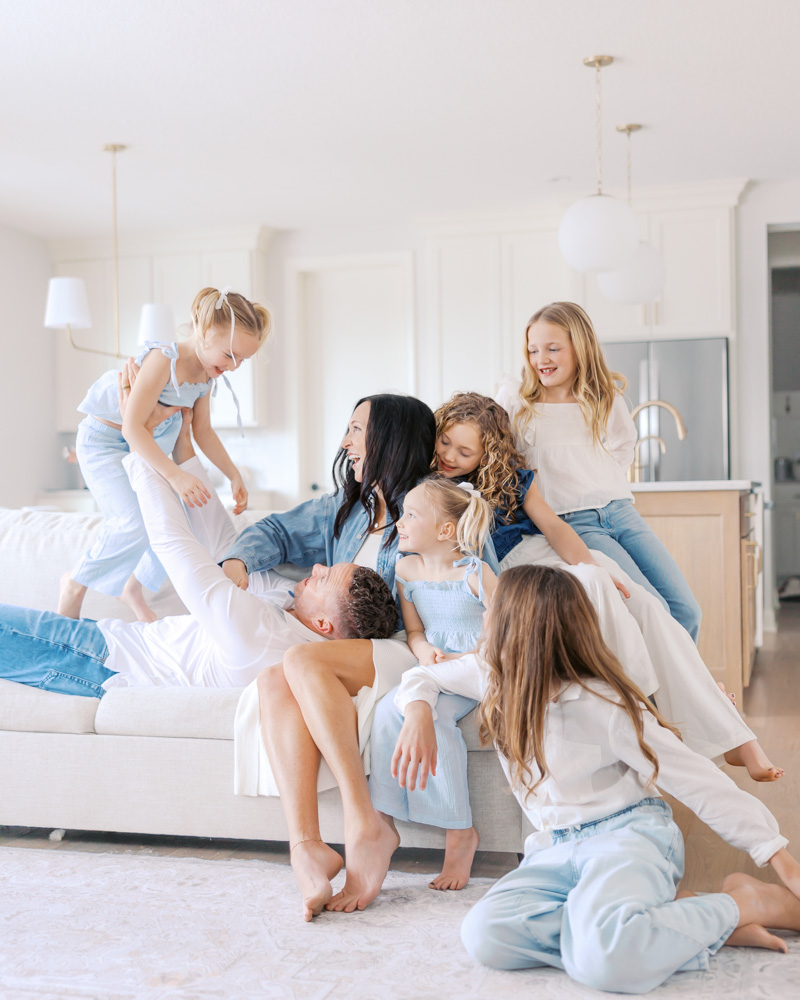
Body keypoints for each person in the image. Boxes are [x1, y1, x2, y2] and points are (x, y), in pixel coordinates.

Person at [391, 565, 800, 994]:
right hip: (553, 848)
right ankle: (664, 924)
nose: (482, 617)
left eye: (491, 609)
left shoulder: (605, 704)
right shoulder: (493, 675)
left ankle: (746, 902)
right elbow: (422, 676)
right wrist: (418, 709)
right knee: (488, 935)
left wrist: (776, 855)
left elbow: (698, 781)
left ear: (518, 626)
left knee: (603, 964)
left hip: (627, 837)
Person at [430, 391, 782, 781]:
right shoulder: (438, 490)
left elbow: (555, 528)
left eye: (464, 451)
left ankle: (732, 735)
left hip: (557, 553)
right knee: (612, 602)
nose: (449, 455)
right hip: (523, 569)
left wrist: (595, 565)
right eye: (446, 442)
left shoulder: (514, 480)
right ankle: (676, 719)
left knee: (646, 606)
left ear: (488, 453)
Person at [0, 404, 398, 698]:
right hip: (110, 642)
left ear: (325, 625)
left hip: (98, 661)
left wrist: (142, 446)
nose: (314, 567)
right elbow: (225, 542)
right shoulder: (288, 612)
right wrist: (184, 449)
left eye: (323, 578)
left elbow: (173, 543)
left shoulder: (260, 635)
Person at [223, 394, 437, 920]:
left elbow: (472, 577)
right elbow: (272, 531)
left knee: (299, 662)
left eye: (356, 429)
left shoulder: (434, 505)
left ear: (389, 438)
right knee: (274, 680)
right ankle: (305, 846)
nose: (346, 442)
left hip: (406, 649)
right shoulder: (346, 509)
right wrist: (236, 566)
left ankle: (364, 821)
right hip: (347, 653)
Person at [58, 286, 273, 624]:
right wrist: (175, 475)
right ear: (203, 333)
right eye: (230, 354)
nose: (234, 366)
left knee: (175, 523)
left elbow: (202, 431)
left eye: (242, 359)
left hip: (147, 447)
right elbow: (132, 428)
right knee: (134, 521)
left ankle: (134, 586)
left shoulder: (206, 377)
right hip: (106, 443)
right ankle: (75, 582)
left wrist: (233, 474)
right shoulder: (163, 359)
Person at [496, 301, 702, 641]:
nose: (540, 359)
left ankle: (683, 693)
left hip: (621, 513)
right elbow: (500, 457)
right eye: (533, 350)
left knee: (686, 610)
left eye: (552, 348)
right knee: (653, 610)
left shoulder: (604, 398)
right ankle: (652, 695)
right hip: (574, 522)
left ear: (580, 347)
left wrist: (598, 479)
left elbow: (623, 444)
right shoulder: (517, 401)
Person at [370, 476, 496, 891]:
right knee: (390, 709)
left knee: (431, 714)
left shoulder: (476, 573)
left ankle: (460, 833)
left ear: (445, 530)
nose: (399, 523)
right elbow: (415, 631)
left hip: (474, 668)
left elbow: (502, 634)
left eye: (410, 515)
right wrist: (424, 652)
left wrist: (462, 658)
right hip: (434, 667)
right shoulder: (406, 570)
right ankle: (384, 821)